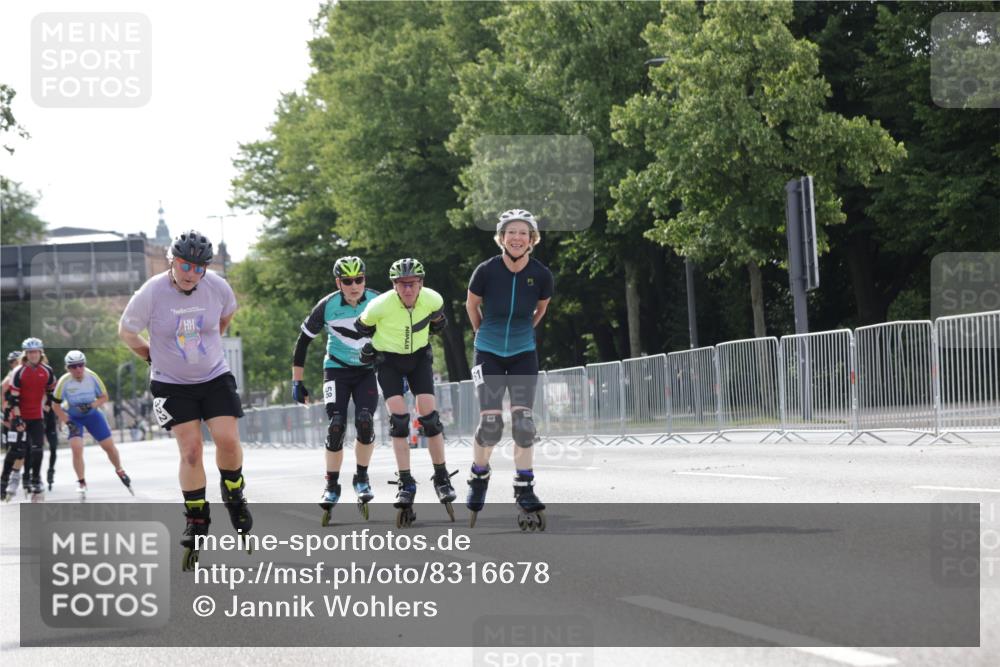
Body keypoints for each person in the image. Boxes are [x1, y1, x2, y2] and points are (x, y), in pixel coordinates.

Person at [119, 229, 250, 570]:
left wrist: (211, 343)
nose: (191, 273)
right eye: (184, 265)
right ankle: (196, 517)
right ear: (171, 262)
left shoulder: (217, 286)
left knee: (228, 439)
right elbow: (126, 331)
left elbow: (226, 314)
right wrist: (150, 355)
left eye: (198, 267)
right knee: (191, 449)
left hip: (214, 376)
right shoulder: (151, 292)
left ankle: (234, 493)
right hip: (171, 383)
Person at [465, 209, 553, 530]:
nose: (517, 238)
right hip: (487, 352)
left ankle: (524, 486)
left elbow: (540, 309)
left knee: (524, 424)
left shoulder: (541, 274)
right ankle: (478, 475)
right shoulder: (486, 271)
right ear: (502, 238)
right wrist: (482, 334)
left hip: (522, 353)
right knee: (490, 425)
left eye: (523, 233)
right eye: (511, 232)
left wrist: (523, 332)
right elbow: (471, 305)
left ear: (532, 239)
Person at [355, 258, 453, 527]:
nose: (407, 289)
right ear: (394, 286)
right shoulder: (379, 305)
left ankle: (441, 476)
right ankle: (406, 481)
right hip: (389, 361)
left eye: (412, 284)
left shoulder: (432, 299)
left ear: (421, 283)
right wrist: (368, 348)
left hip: (419, 358)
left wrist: (437, 324)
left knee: (429, 417)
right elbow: (361, 327)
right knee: (399, 420)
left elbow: (437, 321)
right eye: (401, 284)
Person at [292, 256, 380, 525]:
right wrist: (298, 382)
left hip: (367, 371)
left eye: (359, 280)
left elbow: (397, 333)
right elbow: (303, 342)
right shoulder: (327, 306)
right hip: (337, 369)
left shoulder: (378, 301)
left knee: (365, 422)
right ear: (338, 283)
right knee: (336, 425)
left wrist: (396, 372)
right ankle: (332, 485)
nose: (354, 286)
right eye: (347, 281)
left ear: (365, 279)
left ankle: (362, 478)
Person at [51, 350, 133, 500]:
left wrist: (92, 405)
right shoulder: (64, 382)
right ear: (67, 368)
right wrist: (67, 421)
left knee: (108, 446)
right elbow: (55, 406)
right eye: (73, 366)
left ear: (84, 365)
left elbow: (104, 397)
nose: (78, 369)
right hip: (74, 418)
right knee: (76, 448)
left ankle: (119, 469)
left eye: (80, 365)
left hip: (93, 415)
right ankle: (81, 482)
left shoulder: (92, 376)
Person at [4, 338, 57, 501]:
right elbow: (14, 399)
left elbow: (51, 392)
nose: (33, 355)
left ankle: (35, 480)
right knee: (17, 451)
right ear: (26, 354)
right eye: (30, 352)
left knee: (37, 450)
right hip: (20, 416)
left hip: (37, 416)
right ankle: (4, 481)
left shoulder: (47, 370)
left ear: (40, 353)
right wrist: (18, 418)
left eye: (36, 352)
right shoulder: (18, 372)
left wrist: (47, 406)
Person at [1, 351, 27, 501]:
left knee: (23, 449)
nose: (16, 364)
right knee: (13, 451)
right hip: (11, 419)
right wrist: (6, 415)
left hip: (25, 417)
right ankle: (5, 480)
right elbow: (4, 398)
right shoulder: (9, 378)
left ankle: (16, 476)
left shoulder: (23, 374)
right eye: (13, 362)